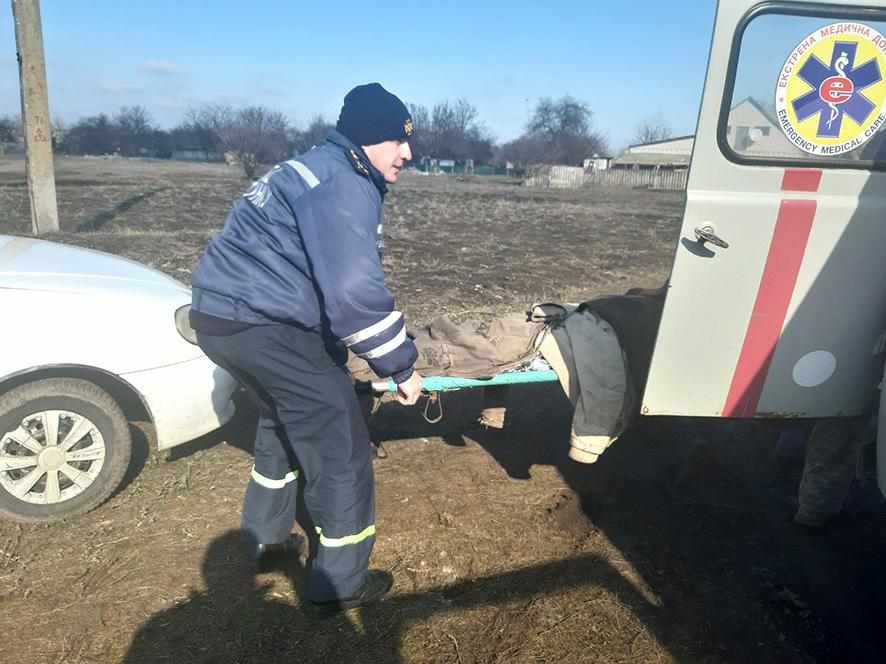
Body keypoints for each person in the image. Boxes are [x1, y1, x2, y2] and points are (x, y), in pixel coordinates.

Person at [188, 83, 423, 611]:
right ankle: (340, 583)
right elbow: (353, 295)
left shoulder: (310, 166)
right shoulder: (343, 183)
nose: (407, 153)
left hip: (221, 318)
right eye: (396, 141)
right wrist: (400, 367)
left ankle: (266, 541)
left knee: (282, 418)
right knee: (340, 442)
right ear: (365, 138)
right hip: (264, 325)